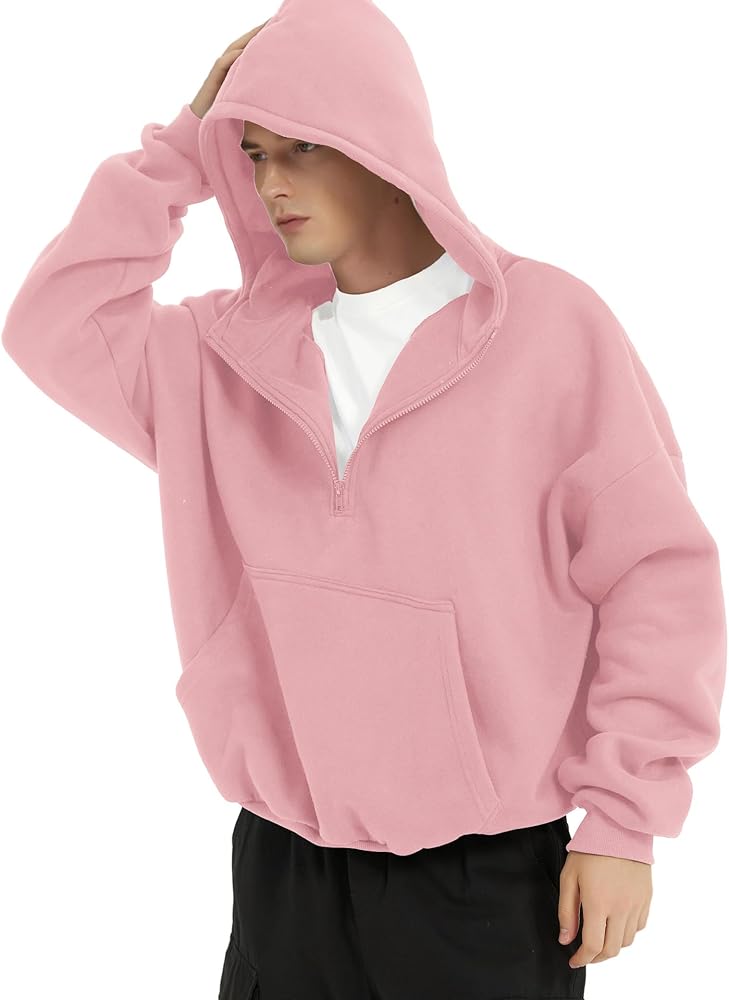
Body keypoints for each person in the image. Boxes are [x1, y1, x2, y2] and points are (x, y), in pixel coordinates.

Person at [2, 1, 725, 998]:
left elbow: (656, 579)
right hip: (282, 866)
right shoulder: (219, 359)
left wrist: (624, 823)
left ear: (382, 143)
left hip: (484, 880)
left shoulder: (549, 331)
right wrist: (182, 146)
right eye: (254, 154)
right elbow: (52, 321)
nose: (272, 182)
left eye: (303, 146)